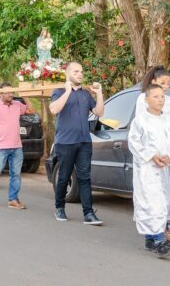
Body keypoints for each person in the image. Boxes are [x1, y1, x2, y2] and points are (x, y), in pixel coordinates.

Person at [128, 84, 170, 258]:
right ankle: (159, 240)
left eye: (162, 96)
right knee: (152, 203)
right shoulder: (140, 120)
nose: (160, 100)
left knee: (161, 201)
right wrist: (151, 156)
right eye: (156, 96)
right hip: (147, 169)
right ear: (146, 100)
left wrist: (169, 156)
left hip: (164, 168)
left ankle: (150, 239)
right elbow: (134, 142)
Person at [49, 62, 104, 225]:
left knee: (85, 178)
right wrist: (67, 91)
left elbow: (99, 112)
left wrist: (99, 94)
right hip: (65, 143)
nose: (80, 74)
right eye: (76, 71)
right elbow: (54, 109)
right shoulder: (58, 91)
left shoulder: (86, 94)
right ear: (68, 74)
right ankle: (59, 208)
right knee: (64, 177)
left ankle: (88, 213)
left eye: (81, 71)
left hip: (84, 142)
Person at [135, 66, 170, 242]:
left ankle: (162, 228)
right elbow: (140, 133)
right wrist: (152, 155)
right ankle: (154, 235)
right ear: (153, 82)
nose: (166, 86)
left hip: (167, 158)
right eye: (162, 83)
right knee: (151, 197)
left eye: (168, 83)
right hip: (150, 160)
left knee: (167, 195)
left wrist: (169, 155)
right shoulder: (143, 100)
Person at [0, 82, 36, 209]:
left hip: (16, 146)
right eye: (8, 92)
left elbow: (32, 111)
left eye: (12, 92)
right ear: (1, 93)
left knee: (16, 174)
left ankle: (13, 199)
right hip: (0, 146)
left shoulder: (17, 104)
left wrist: (25, 95)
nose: (11, 94)